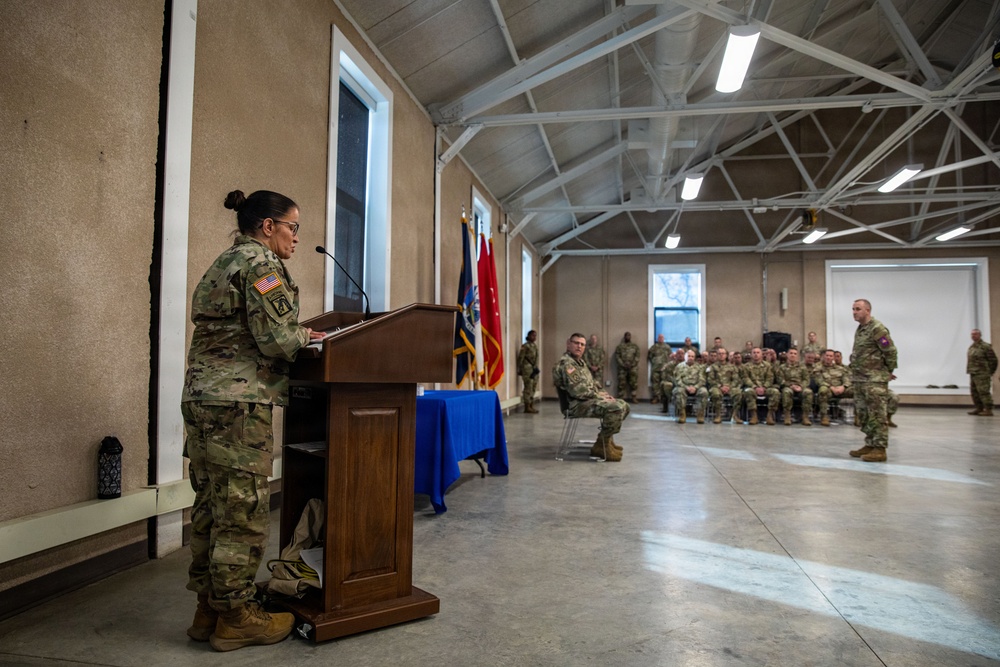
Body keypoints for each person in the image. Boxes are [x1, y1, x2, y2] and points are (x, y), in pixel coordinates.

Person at [181, 189, 325, 651]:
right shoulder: (262, 266)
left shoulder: (223, 263)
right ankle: (238, 616)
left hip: (203, 400)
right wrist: (308, 334)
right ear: (268, 226)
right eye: (293, 227)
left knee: (210, 507)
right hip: (238, 406)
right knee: (241, 514)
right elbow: (279, 340)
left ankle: (209, 608)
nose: (296, 237)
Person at [552, 333, 631, 461]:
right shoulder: (567, 365)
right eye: (576, 343)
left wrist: (605, 395)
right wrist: (600, 397)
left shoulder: (580, 363)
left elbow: (594, 384)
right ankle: (602, 445)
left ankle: (606, 441)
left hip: (587, 400)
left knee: (624, 405)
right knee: (615, 409)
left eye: (582, 344)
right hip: (576, 404)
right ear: (568, 344)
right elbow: (577, 392)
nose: (579, 346)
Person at [848, 298, 897, 462]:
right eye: (853, 309)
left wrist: (889, 371)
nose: (854, 312)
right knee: (864, 413)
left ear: (867, 310)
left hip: (874, 380)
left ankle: (880, 448)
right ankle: (870, 443)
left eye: (858, 309)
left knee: (877, 414)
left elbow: (890, 350)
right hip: (860, 379)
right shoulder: (861, 329)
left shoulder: (877, 328)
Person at [741, 347, 779, 425]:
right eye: (754, 353)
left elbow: (770, 378)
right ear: (751, 355)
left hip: (765, 388)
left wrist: (764, 387)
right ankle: (753, 415)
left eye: (758, 353)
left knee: (775, 392)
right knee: (748, 392)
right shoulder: (746, 366)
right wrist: (755, 387)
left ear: (761, 355)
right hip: (752, 388)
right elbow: (746, 378)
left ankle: (770, 415)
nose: (756, 354)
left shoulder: (768, 365)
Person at [816, 349, 852, 426]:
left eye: (831, 356)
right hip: (829, 389)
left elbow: (847, 379)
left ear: (833, 358)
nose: (828, 357)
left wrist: (843, 387)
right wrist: (831, 387)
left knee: (857, 390)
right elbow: (819, 380)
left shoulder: (841, 369)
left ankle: (858, 417)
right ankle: (824, 416)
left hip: (841, 389)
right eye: (827, 355)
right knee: (822, 390)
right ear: (824, 356)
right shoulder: (818, 368)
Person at [777, 348, 813, 426]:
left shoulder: (802, 367)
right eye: (791, 353)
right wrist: (791, 386)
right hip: (788, 386)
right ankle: (787, 415)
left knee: (808, 392)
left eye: (795, 354)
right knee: (786, 392)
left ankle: (805, 416)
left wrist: (801, 386)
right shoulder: (782, 367)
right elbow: (780, 380)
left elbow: (806, 379)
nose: (793, 355)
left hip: (800, 387)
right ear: (787, 355)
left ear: (797, 356)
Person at [966, 328, 998, 416]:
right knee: (974, 392)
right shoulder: (972, 346)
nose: (973, 336)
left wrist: (989, 372)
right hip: (973, 372)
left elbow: (993, 360)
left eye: (975, 334)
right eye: (972, 334)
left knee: (983, 391)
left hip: (983, 373)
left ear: (980, 335)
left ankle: (988, 409)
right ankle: (979, 408)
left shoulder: (985, 346)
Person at [673, 350, 708, 424]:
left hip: (696, 387)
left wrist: (695, 387)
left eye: (692, 356)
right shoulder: (679, 367)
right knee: (678, 391)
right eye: (689, 356)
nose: (690, 358)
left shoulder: (699, 367)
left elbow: (702, 380)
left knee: (704, 391)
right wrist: (686, 387)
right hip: (683, 387)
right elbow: (677, 380)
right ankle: (682, 414)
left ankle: (700, 415)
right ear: (685, 357)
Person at [708, 348, 741, 424]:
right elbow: (710, 379)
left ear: (726, 355)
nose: (721, 355)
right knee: (715, 393)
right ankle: (718, 415)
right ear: (717, 355)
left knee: (738, 393)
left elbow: (736, 379)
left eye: (723, 354)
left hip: (730, 387)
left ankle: (734, 415)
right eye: (719, 354)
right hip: (717, 387)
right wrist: (720, 386)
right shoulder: (713, 367)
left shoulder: (732, 367)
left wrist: (728, 387)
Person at [516, 330, 540, 414]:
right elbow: (521, 358)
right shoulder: (525, 346)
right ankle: (527, 406)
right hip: (527, 369)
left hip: (534, 370)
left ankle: (531, 405)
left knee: (533, 387)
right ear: (529, 336)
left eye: (535, 336)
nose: (534, 337)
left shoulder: (534, 346)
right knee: (528, 387)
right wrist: (519, 368)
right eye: (533, 335)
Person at [615, 332, 640, 402]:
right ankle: (620, 398)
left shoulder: (635, 346)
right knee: (621, 383)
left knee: (633, 383)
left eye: (629, 336)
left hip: (633, 368)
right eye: (626, 336)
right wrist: (623, 364)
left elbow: (637, 356)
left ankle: (634, 397)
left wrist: (632, 364)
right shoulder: (620, 347)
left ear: (630, 337)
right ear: (624, 337)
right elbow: (617, 356)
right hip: (622, 368)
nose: (628, 337)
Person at [647, 334, 673, 404]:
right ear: (657, 339)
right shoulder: (654, 347)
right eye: (659, 337)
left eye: (662, 337)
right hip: (655, 368)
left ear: (663, 338)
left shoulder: (667, 347)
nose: (660, 338)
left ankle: (663, 398)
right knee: (655, 383)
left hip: (664, 368)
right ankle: (656, 397)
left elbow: (671, 357)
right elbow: (650, 356)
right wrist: (654, 362)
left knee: (664, 383)